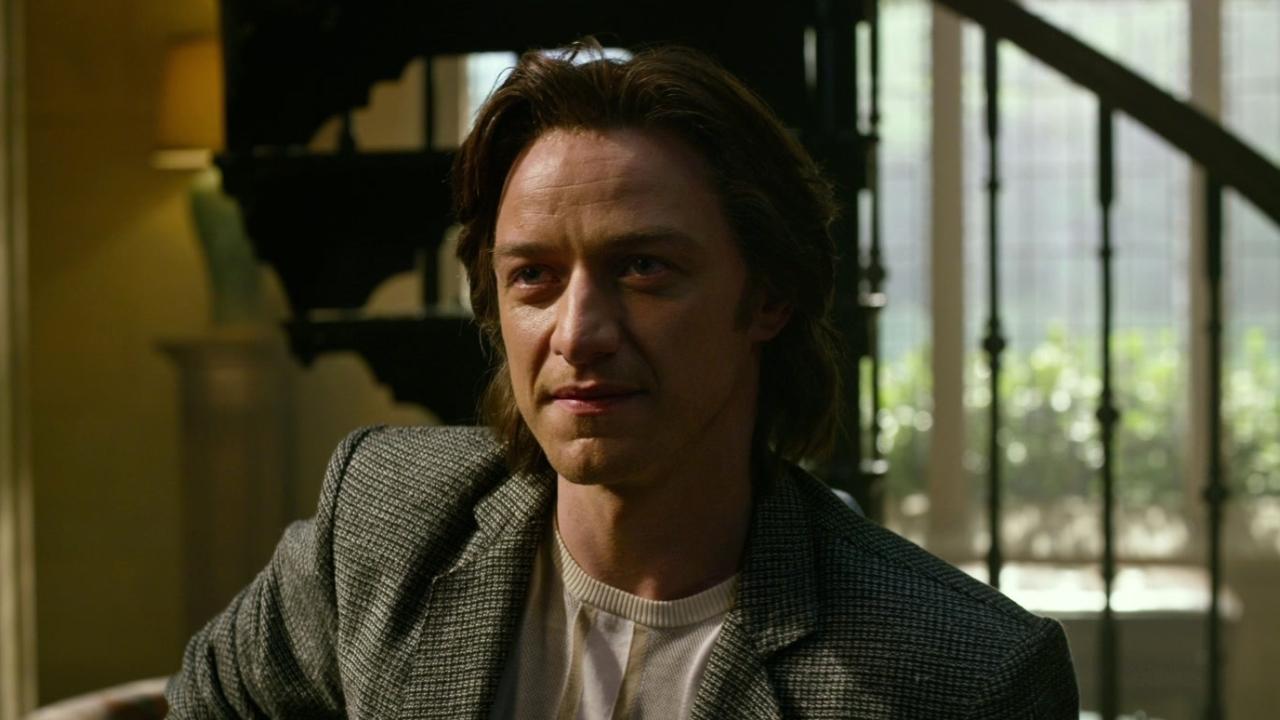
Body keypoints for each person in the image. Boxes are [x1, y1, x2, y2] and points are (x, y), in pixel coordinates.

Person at [166, 40, 1079, 718]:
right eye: (533, 276)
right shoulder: (380, 522)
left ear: (768, 296)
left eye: (643, 268)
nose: (578, 334)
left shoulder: (960, 673)